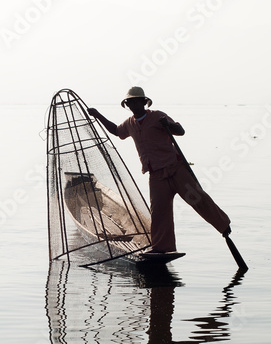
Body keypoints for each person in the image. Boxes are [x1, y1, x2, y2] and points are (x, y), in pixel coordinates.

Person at [87, 86, 231, 253]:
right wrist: (97, 115)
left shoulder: (157, 116)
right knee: (159, 212)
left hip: (175, 168)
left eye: (135, 101)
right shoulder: (130, 124)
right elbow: (116, 131)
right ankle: (162, 247)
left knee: (197, 198)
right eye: (129, 102)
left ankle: (223, 225)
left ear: (143, 102)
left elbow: (180, 131)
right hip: (156, 174)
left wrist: (168, 124)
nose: (132, 104)